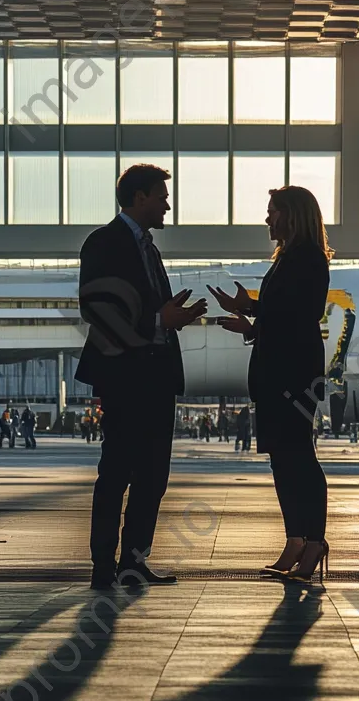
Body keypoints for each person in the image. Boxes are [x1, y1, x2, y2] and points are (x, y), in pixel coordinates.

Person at [75, 163, 207, 590]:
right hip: (124, 378)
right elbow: (96, 308)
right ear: (139, 198)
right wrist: (157, 319)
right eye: (161, 196)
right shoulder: (103, 243)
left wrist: (172, 319)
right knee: (116, 472)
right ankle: (102, 566)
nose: (167, 204)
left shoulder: (149, 248)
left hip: (157, 377)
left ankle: (133, 562)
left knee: (153, 476)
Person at [210, 185, 332, 583]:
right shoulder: (288, 259)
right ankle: (296, 540)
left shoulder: (308, 257)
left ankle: (313, 541)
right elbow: (287, 311)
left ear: (292, 215)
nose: (267, 219)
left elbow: (303, 314)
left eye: (272, 212)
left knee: (298, 458)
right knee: (284, 458)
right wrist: (249, 309)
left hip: (293, 373)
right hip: (281, 370)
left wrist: (253, 320)